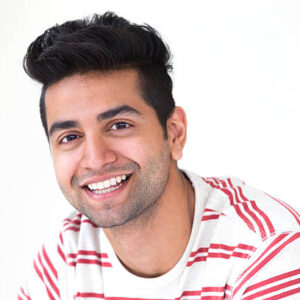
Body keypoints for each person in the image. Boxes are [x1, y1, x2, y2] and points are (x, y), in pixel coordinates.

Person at [18, 12, 300, 300]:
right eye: (70, 137)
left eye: (119, 125)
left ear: (174, 134)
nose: (95, 158)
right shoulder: (66, 256)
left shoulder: (265, 249)